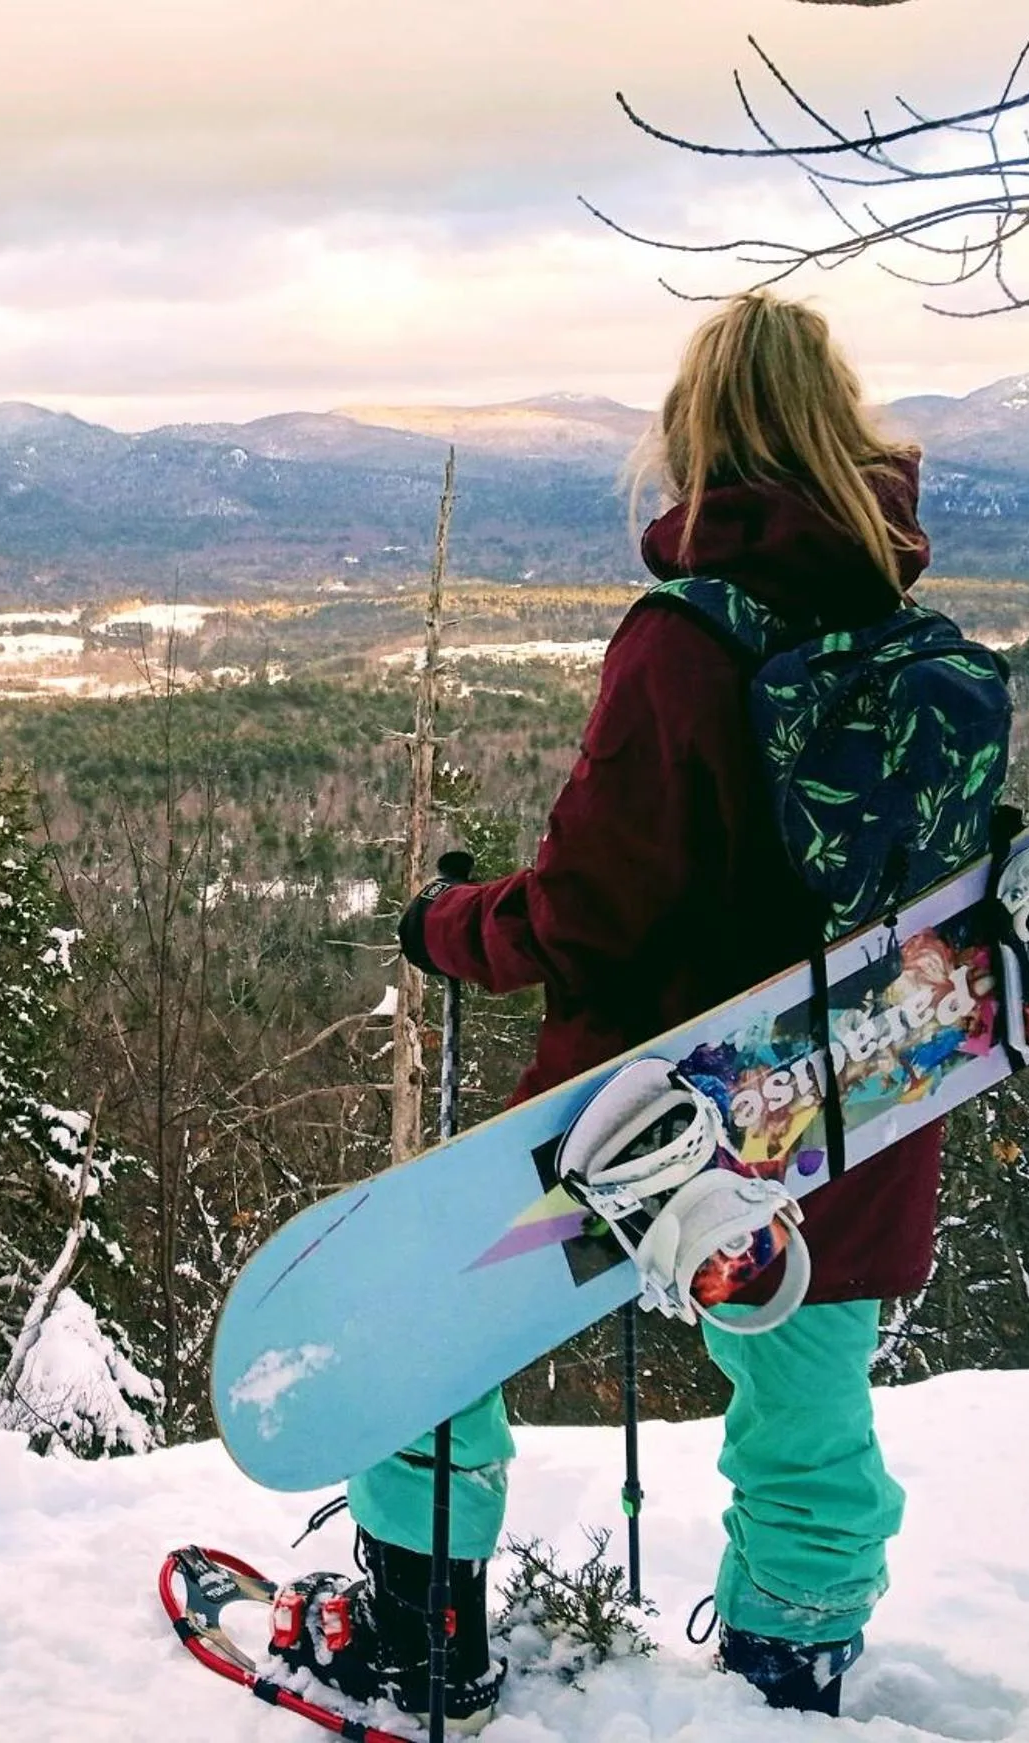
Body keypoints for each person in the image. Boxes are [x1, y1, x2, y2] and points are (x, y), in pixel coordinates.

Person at [279, 291, 947, 1726]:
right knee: (810, 1394)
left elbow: (589, 905)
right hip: (866, 1094)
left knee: (432, 1320)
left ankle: (419, 1635)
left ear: (699, 436)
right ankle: (797, 1654)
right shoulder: (907, 635)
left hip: (647, 1123)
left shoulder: (684, 643)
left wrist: (446, 926)